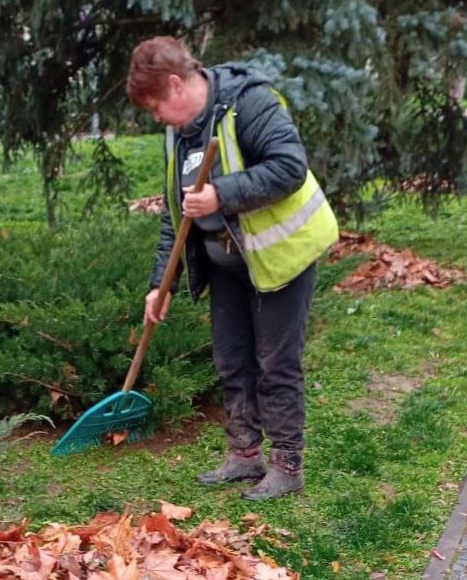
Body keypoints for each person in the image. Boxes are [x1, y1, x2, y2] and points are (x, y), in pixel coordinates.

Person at [125, 36, 339, 500]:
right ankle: (244, 455)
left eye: (157, 105)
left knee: (276, 363)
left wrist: (222, 194)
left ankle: (288, 464)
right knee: (231, 359)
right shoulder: (177, 135)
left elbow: (289, 168)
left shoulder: (250, 103)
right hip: (227, 263)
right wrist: (160, 285)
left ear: (178, 85)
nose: (156, 117)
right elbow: (174, 215)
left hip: (281, 254)